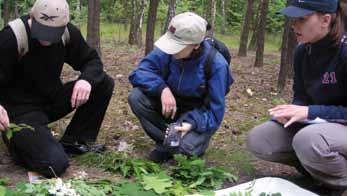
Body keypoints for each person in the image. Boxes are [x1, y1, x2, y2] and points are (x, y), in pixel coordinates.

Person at [0, 0, 114, 177]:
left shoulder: (68, 33)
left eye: (53, 32)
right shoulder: (12, 37)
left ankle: (74, 140)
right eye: (42, 29)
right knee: (55, 164)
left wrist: (86, 80)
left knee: (103, 82)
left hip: (50, 100)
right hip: (19, 112)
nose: (46, 37)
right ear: (32, 17)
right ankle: (19, 145)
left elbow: (92, 61)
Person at [247, 0, 347, 191]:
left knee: (308, 141)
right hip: (321, 126)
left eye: (302, 19)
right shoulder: (303, 51)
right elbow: (301, 95)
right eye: (293, 18)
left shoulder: (344, 50)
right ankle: (317, 172)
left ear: (325, 20)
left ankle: (340, 179)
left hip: (336, 125)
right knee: (260, 139)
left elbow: (310, 109)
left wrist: (309, 111)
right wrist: (293, 112)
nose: (294, 25)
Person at [128, 12, 233, 163]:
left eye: (178, 46)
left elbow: (215, 112)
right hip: (171, 107)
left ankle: (178, 144)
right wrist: (162, 89)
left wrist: (191, 123)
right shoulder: (167, 52)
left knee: (186, 149)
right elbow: (140, 72)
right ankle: (167, 142)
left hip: (197, 113)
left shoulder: (217, 65)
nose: (172, 50)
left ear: (196, 45)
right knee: (136, 97)